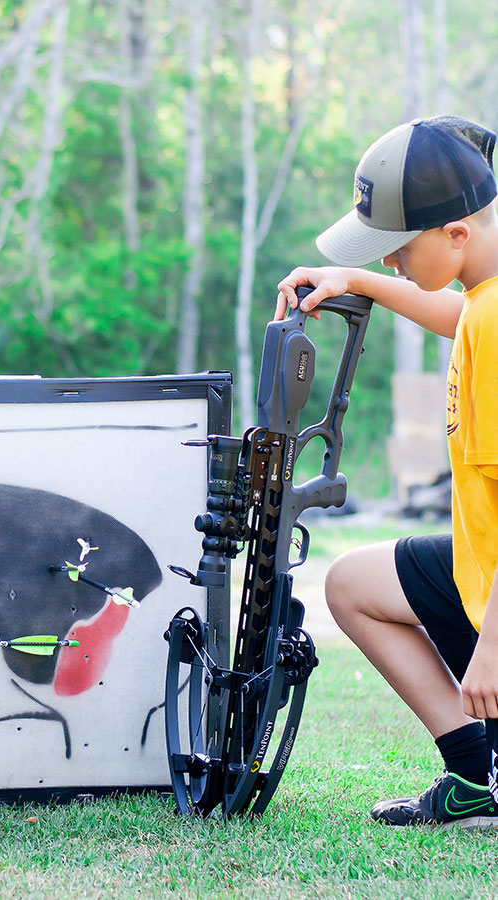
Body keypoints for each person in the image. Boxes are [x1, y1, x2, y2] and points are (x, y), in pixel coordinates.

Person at [277, 115, 498, 828]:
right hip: (479, 571)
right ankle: (476, 780)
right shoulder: (481, 299)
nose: (392, 261)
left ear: (456, 234)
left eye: (397, 249)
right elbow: (453, 312)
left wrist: (492, 648)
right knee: (353, 582)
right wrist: (359, 281)